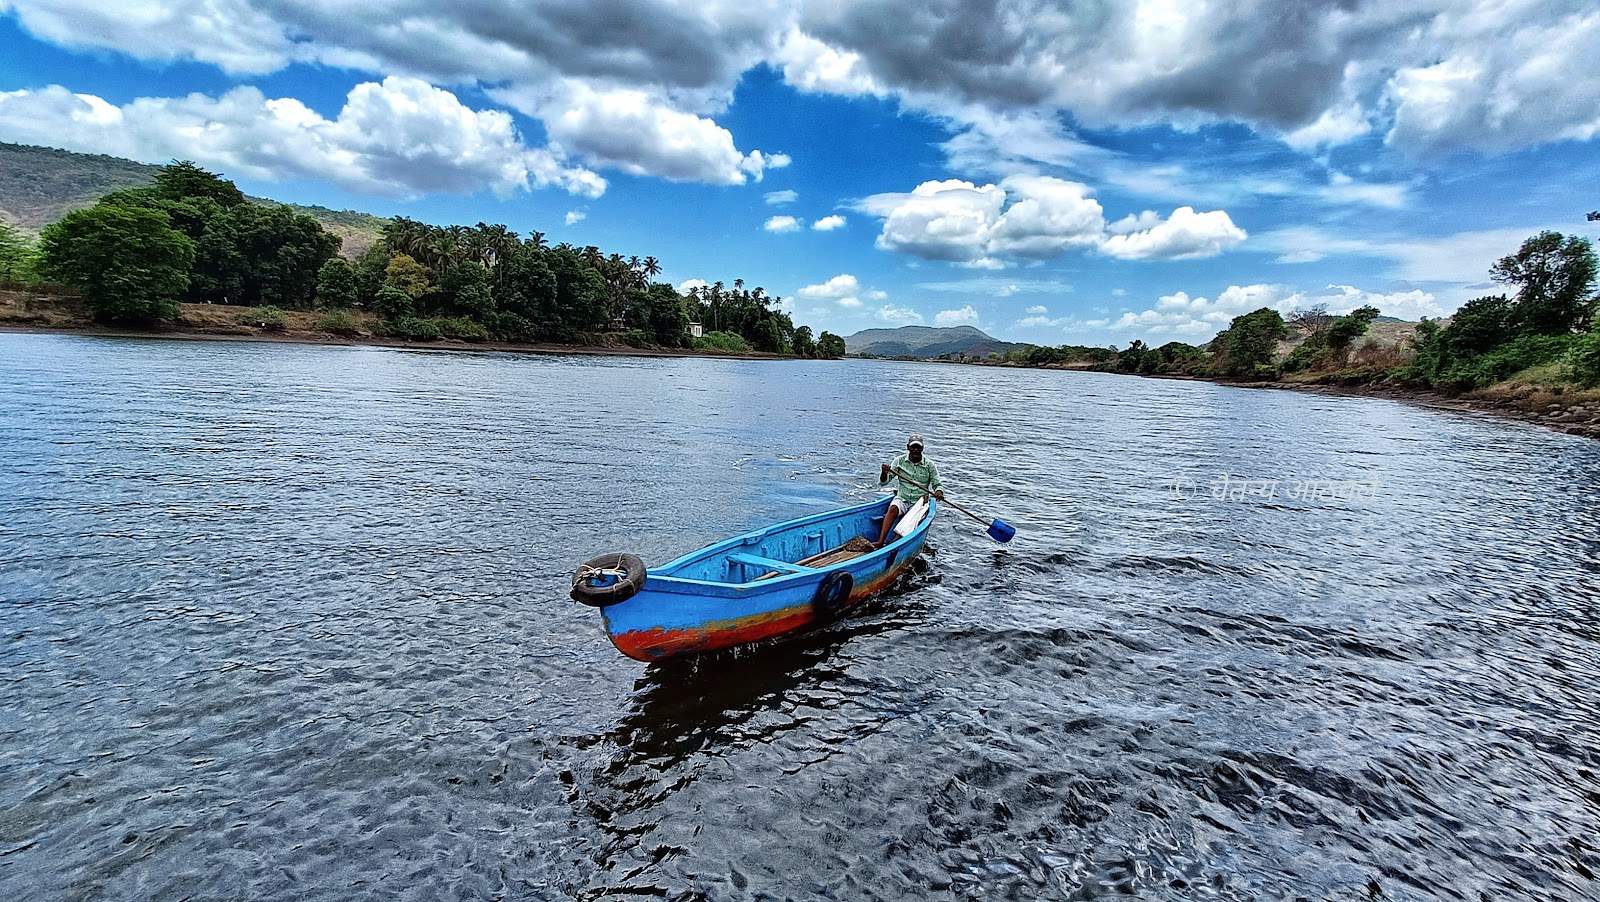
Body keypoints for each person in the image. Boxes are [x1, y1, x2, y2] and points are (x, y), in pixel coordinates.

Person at [875, 434, 944, 547]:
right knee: (892, 509)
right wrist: (884, 473)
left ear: (922, 448)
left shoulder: (929, 465)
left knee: (911, 519)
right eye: (913, 447)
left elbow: (937, 484)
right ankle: (880, 541)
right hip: (902, 497)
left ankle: (893, 544)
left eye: (918, 447)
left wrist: (939, 492)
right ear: (908, 447)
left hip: (919, 501)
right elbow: (884, 482)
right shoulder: (899, 461)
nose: (915, 450)